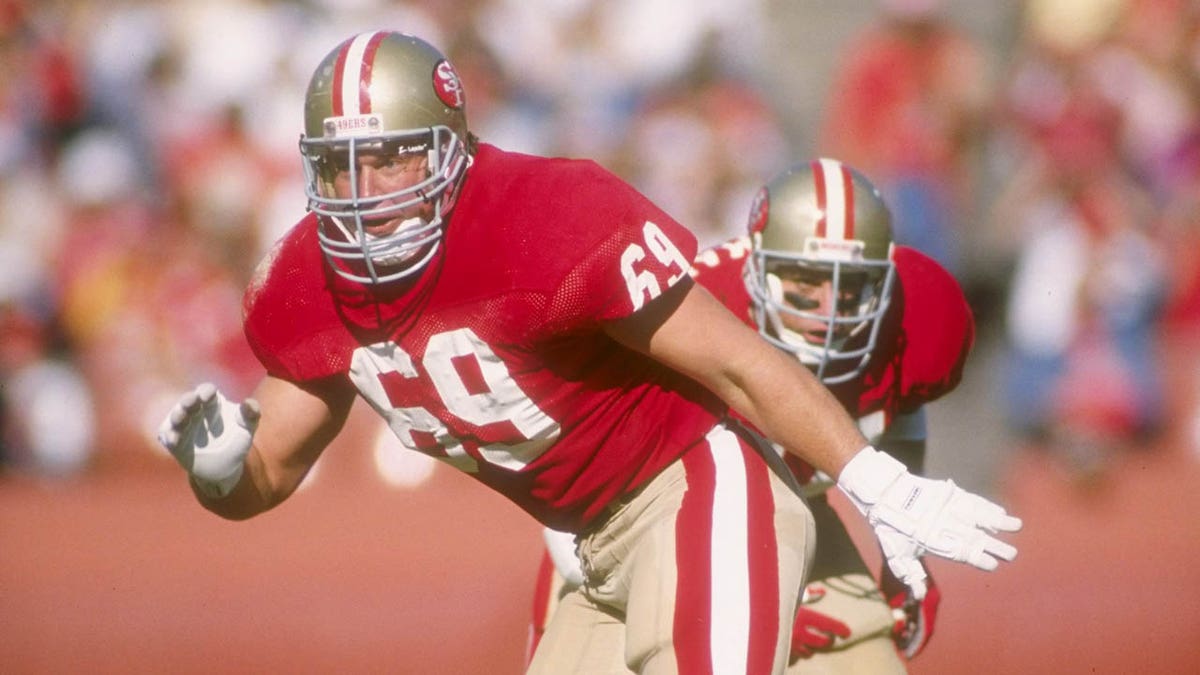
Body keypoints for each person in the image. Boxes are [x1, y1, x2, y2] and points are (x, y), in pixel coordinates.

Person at [156, 31, 1021, 674]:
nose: (366, 193)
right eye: (341, 167)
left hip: (698, 489)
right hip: (586, 534)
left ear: (450, 152)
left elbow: (740, 367)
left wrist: (882, 487)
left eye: (390, 160)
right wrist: (221, 472)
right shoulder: (310, 281)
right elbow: (266, 474)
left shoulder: (546, 220)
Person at [529, 159, 973, 672]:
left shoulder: (918, 311)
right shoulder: (682, 312)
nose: (828, 308)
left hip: (792, 511)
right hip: (637, 525)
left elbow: (896, 409)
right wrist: (752, 606)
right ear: (757, 269)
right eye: (806, 280)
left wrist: (904, 547)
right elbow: (571, 518)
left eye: (850, 286)